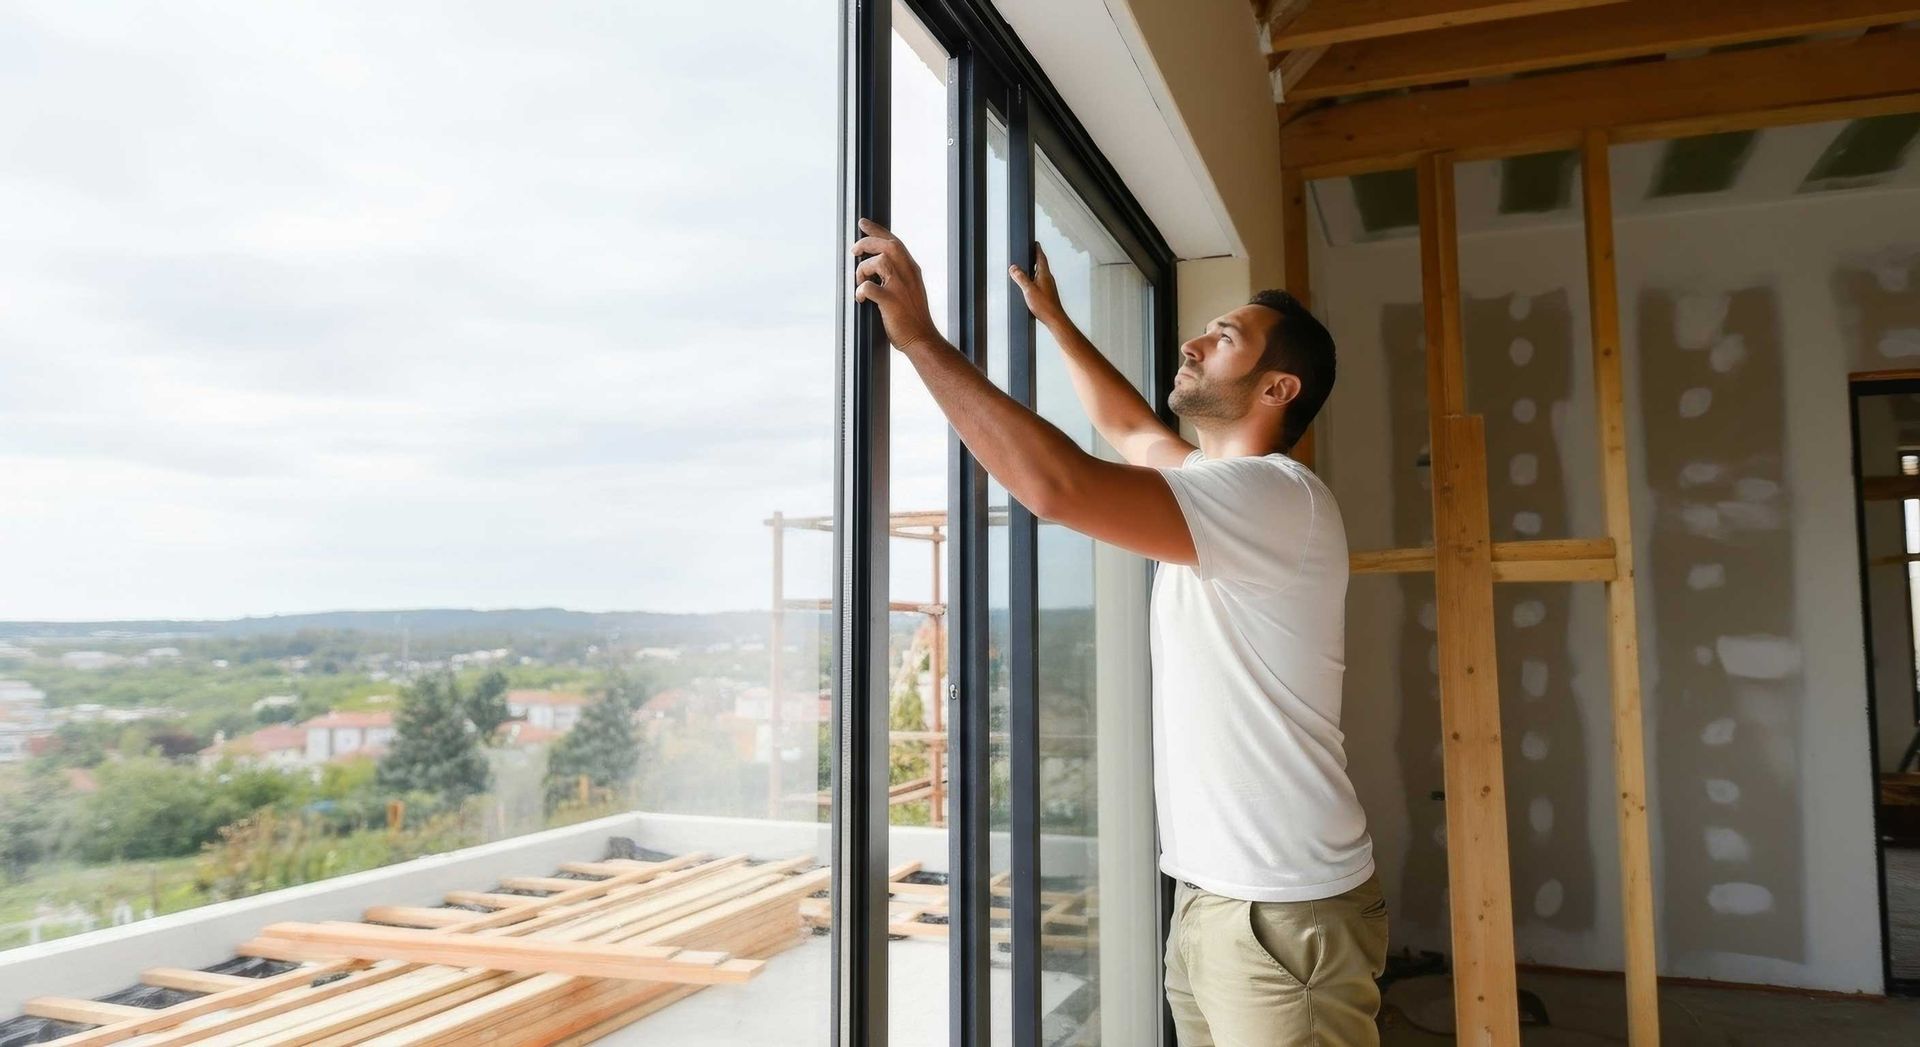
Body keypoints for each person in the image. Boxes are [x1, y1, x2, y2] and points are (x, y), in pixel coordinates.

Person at [853, 217, 1384, 1045]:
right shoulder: (1219, 486)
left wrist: (921, 340)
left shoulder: (1276, 497)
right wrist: (1057, 321)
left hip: (1284, 905)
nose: (1197, 340)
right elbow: (1131, 431)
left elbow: (1057, 486)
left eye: (1227, 336)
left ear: (1279, 388)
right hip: (1217, 892)